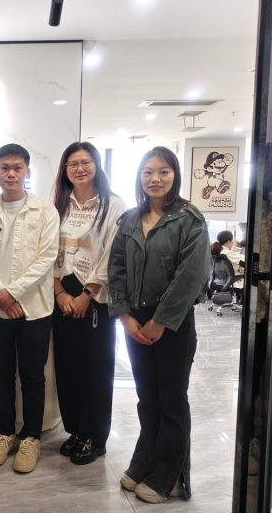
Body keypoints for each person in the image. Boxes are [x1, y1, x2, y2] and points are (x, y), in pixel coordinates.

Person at [108, 146, 210, 504]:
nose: (155, 178)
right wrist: (125, 316)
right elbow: (116, 269)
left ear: (175, 176)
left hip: (173, 321)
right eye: (148, 172)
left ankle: (170, 476)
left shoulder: (189, 219)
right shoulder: (130, 220)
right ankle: (146, 461)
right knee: (147, 398)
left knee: (171, 399)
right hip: (135, 319)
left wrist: (161, 321)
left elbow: (192, 276)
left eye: (163, 171)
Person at [0, 143, 60, 474]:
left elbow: (47, 257)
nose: (11, 173)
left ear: (27, 172)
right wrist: (2, 294)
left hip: (35, 310)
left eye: (17, 168)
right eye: (5, 168)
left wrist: (14, 294)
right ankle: (5, 433)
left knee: (33, 377)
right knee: (2, 375)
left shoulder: (45, 210)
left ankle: (31, 437)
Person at [51, 142, 126, 465]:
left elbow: (113, 253)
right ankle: (76, 431)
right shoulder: (58, 204)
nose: (79, 168)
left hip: (95, 298)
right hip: (62, 295)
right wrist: (59, 292)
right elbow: (46, 251)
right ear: (65, 169)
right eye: (72, 164)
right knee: (69, 367)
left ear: (96, 165)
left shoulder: (113, 205)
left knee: (97, 368)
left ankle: (95, 436)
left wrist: (86, 295)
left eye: (86, 162)